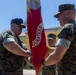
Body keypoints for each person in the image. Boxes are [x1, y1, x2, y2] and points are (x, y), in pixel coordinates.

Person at [42, 4, 76, 75]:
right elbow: (68, 50)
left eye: (59, 16)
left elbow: (56, 57)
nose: (57, 19)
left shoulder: (68, 28)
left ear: (67, 13)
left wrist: (43, 62)